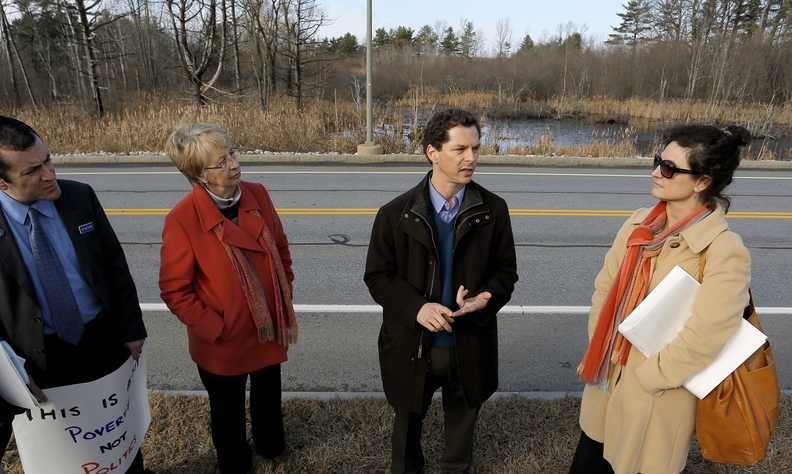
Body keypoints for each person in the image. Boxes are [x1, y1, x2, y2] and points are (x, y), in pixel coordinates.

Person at [570, 124, 753, 474]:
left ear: (702, 181)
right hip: (607, 381)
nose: (656, 171)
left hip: (655, 398)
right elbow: (604, 289)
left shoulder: (724, 251)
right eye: (658, 160)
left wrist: (651, 376)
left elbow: (708, 335)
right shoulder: (640, 225)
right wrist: (601, 340)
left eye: (669, 168)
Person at [364, 108, 518, 474]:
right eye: (460, 149)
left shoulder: (494, 210)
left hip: (470, 342)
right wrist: (418, 308)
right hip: (413, 345)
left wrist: (485, 298)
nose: (472, 158)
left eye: (476, 149)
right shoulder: (394, 214)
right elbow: (377, 276)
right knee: (406, 437)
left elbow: (506, 274)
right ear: (433, 152)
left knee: (460, 441)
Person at [0, 116, 149, 472]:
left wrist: (131, 328)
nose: (50, 174)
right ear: (2, 183)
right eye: (33, 170)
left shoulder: (80, 196)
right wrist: (12, 370)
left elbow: (115, 265)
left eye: (48, 160)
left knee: (116, 429)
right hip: (35, 357)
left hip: (101, 338)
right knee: (63, 444)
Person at [159, 122, 296, 474]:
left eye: (232, 154)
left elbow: (280, 248)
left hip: (268, 327)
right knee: (227, 408)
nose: (234, 164)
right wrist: (215, 327)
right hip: (223, 339)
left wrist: (283, 294)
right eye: (221, 162)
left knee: (268, 396)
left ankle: (271, 445)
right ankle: (234, 461)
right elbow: (174, 289)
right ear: (198, 174)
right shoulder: (181, 219)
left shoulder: (258, 194)